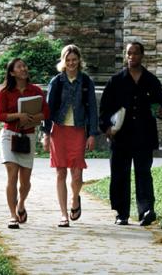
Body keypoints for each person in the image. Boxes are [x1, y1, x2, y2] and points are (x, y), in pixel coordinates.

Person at [98, 41, 162, 226]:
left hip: (144, 136)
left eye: (135, 53)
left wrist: (160, 111)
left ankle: (146, 210)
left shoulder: (151, 80)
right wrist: (107, 128)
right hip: (121, 137)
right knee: (120, 174)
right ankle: (122, 213)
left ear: (142, 55)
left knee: (143, 173)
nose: (132, 56)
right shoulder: (116, 81)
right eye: (129, 53)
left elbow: (160, 105)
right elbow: (104, 108)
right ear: (125, 55)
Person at [44, 44, 100, 228]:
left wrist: (92, 134)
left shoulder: (85, 82)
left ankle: (75, 199)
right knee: (61, 172)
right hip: (58, 130)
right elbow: (48, 109)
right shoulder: (56, 82)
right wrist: (45, 134)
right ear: (63, 61)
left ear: (79, 61)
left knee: (76, 173)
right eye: (67, 60)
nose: (71, 63)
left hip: (78, 130)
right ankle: (63, 214)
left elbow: (92, 108)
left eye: (74, 60)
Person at [0, 57, 44, 229]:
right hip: (9, 135)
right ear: (12, 72)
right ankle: (12, 215)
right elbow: (1, 115)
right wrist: (18, 115)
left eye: (25, 65)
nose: (24, 68)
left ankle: (21, 203)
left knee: (25, 182)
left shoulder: (36, 90)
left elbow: (46, 112)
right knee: (12, 174)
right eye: (19, 67)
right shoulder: (4, 92)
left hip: (28, 137)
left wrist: (34, 117)